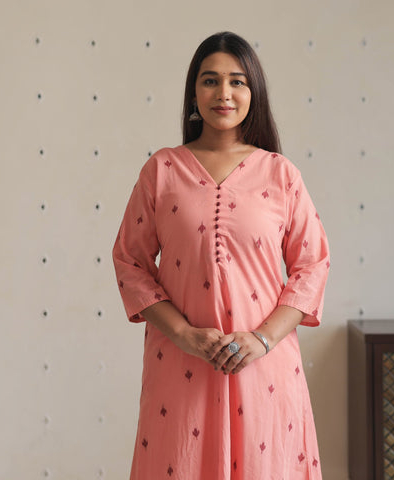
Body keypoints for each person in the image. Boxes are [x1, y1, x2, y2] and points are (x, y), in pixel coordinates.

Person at [112, 31, 330, 480]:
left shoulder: (281, 174)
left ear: (254, 92)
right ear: (194, 92)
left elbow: (312, 267)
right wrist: (184, 334)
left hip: (265, 368)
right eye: (210, 80)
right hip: (180, 364)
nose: (224, 93)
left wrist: (261, 339)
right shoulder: (162, 170)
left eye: (237, 81)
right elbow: (130, 263)